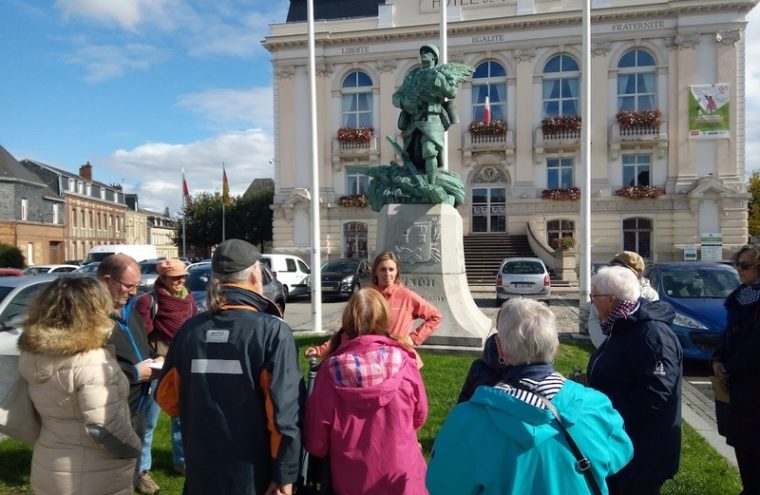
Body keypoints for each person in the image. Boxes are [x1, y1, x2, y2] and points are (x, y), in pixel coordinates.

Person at [427, 298, 633, 494]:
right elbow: (620, 455)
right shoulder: (596, 405)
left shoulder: (466, 420)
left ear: (500, 348)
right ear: (557, 345)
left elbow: (441, 485)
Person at [156, 239, 303, 495]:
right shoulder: (273, 331)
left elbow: (168, 400)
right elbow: (284, 415)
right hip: (254, 476)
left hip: (202, 472)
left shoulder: (189, 330)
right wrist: (285, 474)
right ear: (256, 275)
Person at [17, 276, 142, 495]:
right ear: (95, 309)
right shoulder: (91, 360)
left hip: (49, 463)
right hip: (93, 473)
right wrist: (134, 447)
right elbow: (104, 427)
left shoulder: (35, 354)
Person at [304, 288, 429, 495]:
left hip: (352, 481)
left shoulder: (329, 371)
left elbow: (316, 442)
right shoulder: (405, 361)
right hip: (402, 479)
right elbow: (420, 416)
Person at [586, 266, 682, 495]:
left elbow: (655, 395)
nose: (592, 303)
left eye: (594, 297)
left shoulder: (652, 334)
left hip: (642, 452)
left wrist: (600, 405)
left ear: (611, 300)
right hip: (622, 444)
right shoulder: (622, 326)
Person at [305, 250, 442, 366]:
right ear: (375, 271)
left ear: (397, 272)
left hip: (399, 361)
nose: (387, 274)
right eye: (383, 269)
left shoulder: (407, 296)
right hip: (370, 360)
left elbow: (435, 316)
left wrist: (413, 339)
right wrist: (320, 350)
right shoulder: (366, 296)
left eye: (391, 269)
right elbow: (348, 331)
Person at [97, 254, 161, 494]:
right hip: (112, 407)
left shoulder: (129, 312)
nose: (134, 292)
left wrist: (156, 358)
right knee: (111, 469)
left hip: (138, 402)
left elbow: (140, 347)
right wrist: (135, 372)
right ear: (107, 280)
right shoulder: (91, 319)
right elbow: (88, 370)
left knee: (134, 451)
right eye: (129, 285)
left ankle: (136, 477)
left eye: (136, 285)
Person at [134, 259, 197, 483]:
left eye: (183, 277)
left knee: (180, 417)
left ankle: (182, 463)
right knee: (148, 421)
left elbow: (193, 330)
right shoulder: (147, 302)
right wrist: (155, 355)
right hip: (156, 368)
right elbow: (141, 335)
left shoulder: (189, 301)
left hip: (181, 365)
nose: (180, 281)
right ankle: (142, 471)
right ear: (162, 278)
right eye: (175, 277)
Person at [712, 244, 760, 494]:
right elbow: (728, 333)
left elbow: (753, 345)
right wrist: (718, 358)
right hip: (739, 389)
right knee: (744, 450)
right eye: (737, 264)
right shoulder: (740, 297)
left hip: (754, 387)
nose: (739, 270)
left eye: (745, 266)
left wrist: (729, 366)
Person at [392, 44, 471, 184]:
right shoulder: (412, 76)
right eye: (422, 51)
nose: (423, 53)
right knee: (413, 155)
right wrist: (404, 102)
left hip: (432, 118)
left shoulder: (438, 75)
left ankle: (431, 184)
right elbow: (396, 97)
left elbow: (452, 93)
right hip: (414, 120)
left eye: (427, 52)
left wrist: (446, 82)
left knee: (429, 150)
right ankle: (417, 182)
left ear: (434, 57)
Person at [588, 250, 659, 348]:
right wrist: (606, 346)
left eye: (620, 269)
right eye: (613, 267)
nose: (615, 272)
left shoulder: (649, 295)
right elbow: (594, 318)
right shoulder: (605, 288)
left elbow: (652, 326)